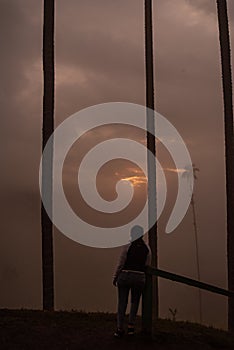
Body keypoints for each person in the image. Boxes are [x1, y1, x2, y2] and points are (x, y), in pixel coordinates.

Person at [113, 225, 151, 337]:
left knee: (122, 302)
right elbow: (147, 264)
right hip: (139, 277)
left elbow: (121, 264)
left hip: (125, 276)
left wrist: (115, 277)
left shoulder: (127, 247)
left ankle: (120, 328)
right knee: (135, 302)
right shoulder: (147, 248)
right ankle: (131, 327)